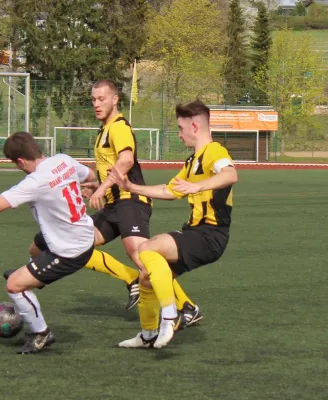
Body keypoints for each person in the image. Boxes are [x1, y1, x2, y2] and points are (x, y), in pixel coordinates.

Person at [31, 80, 202, 327]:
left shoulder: (119, 127)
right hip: (114, 205)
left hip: (130, 201)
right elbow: (111, 167)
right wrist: (96, 185)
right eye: (93, 100)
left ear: (114, 100)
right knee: (76, 244)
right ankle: (132, 279)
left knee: (143, 257)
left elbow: (126, 160)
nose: (97, 104)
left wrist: (101, 187)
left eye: (102, 99)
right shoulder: (104, 130)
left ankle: (186, 307)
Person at [0, 132, 97, 354]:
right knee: (35, 247)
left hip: (70, 249)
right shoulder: (64, 160)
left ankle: (41, 333)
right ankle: (36, 277)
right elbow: (90, 175)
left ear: (21, 161)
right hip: (83, 231)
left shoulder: (35, 181)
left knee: (14, 285)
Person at [108, 99, 238, 349]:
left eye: (180, 128)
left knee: (147, 248)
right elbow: (169, 190)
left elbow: (230, 174)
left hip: (210, 235)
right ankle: (147, 335)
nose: (179, 134)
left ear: (195, 126)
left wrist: (198, 185)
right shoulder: (193, 161)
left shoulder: (214, 151)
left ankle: (171, 314)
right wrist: (131, 187)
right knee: (146, 277)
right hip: (197, 233)